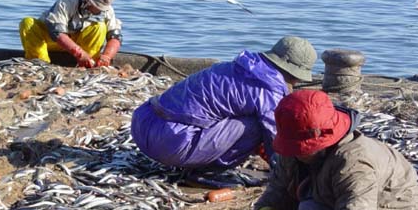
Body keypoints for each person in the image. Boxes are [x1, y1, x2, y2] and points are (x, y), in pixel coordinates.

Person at [250, 90, 418, 210]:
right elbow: (279, 187)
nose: (294, 153)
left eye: (300, 149)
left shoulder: (354, 162)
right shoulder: (294, 150)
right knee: (302, 207)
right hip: (342, 206)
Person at [131, 36, 317, 177]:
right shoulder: (268, 89)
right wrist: (291, 174)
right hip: (168, 144)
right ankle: (206, 173)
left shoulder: (241, 67)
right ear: (292, 72)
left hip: (143, 125)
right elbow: (276, 137)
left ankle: (195, 162)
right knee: (253, 126)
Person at [19, 0, 122, 67]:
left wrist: (107, 56)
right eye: (95, 5)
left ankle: (89, 65)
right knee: (27, 23)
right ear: (88, 0)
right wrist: (79, 53)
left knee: (99, 27)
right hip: (52, 41)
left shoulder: (107, 11)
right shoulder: (67, 2)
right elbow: (57, 33)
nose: (97, 9)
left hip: (78, 43)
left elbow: (115, 37)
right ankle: (40, 64)